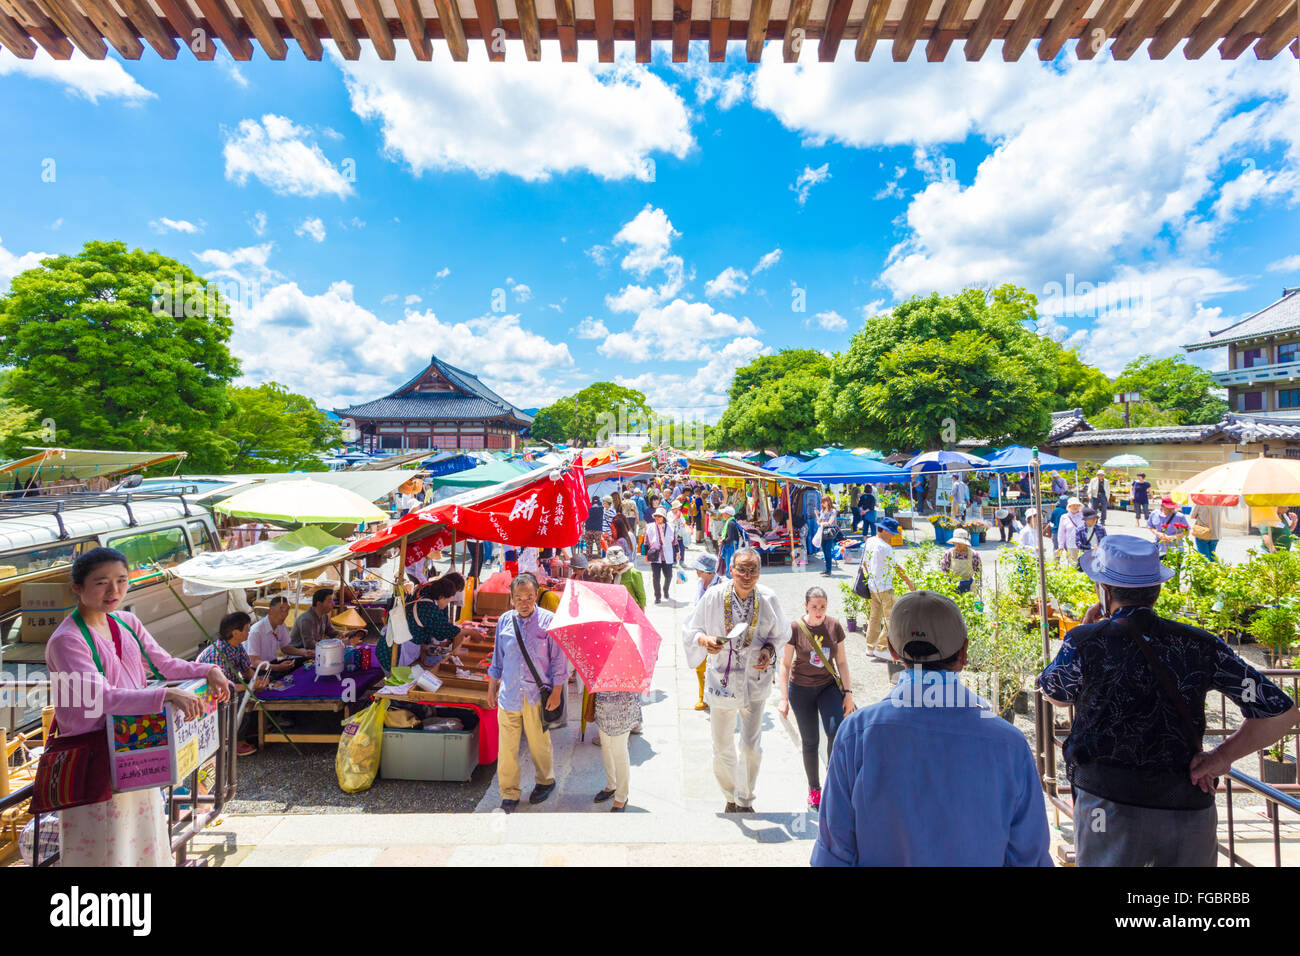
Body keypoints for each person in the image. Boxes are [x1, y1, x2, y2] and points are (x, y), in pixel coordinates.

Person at [1038, 534, 1298, 866]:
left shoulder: (1086, 640)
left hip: (1105, 805)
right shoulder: (1200, 644)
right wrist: (1221, 756)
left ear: (1104, 589)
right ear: (1157, 589)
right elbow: (1282, 712)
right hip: (1186, 804)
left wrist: (1086, 633)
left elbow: (1056, 694)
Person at [813, 590, 1052, 866]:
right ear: (963, 653)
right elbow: (1029, 857)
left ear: (891, 650)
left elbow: (834, 856)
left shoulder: (856, 734)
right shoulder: (1009, 744)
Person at [45, 547, 233, 866]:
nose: (114, 590)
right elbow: (102, 698)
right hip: (95, 759)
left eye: (121, 580)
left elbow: (164, 665)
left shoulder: (127, 622)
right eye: (101, 582)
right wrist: (167, 696)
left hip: (134, 750)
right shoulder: (67, 640)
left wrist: (207, 670)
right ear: (76, 587)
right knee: (104, 846)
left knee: (144, 839)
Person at [682, 547, 789, 812]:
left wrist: (768, 650)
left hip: (755, 679)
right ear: (730, 570)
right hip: (723, 681)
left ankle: (746, 797)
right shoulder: (714, 597)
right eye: (741, 568)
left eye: (753, 569)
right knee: (722, 746)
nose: (747, 575)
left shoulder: (768, 598)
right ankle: (730, 795)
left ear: (759, 572)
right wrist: (704, 640)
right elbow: (691, 629)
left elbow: (782, 633)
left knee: (751, 746)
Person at [487, 572, 568, 813]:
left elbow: (558, 663)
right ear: (511, 598)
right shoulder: (504, 621)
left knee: (539, 744)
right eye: (519, 598)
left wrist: (556, 693)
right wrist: (491, 688)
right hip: (509, 694)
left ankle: (545, 781)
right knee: (507, 749)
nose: (524, 602)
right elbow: (497, 659)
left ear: (536, 596)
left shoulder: (549, 621)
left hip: (535, 695)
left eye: (529, 597)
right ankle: (509, 792)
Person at [778, 587, 855, 811]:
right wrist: (783, 698)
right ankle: (814, 789)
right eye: (814, 606)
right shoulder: (795, 628)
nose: (819, 611)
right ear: (806, 606)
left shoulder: (834, 626)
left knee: (836, 730)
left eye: (822, 606)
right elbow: (784, 665)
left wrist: (848, 693)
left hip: (827, 686)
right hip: (800, 689)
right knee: (810, 740)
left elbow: (841, 662)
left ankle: (833, 782)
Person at [197, 611, 270, 756]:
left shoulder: (237, 646)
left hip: (230, 685)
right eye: (247, 628)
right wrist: (251, 687)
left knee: (260, 691)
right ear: (236, 632)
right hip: (210, 694)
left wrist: (258, 681)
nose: (249, 631)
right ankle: (234, 741)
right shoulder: (217, 653)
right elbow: (222, 688)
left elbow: (247, 670)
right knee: (242, 697)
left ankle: (250, 727)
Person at [861, 518, 916, 661]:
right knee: (893, 618)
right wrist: (910, 584)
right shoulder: (885, 547)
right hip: (885, 586)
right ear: (884, 530)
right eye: (891, 533)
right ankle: (881, 647)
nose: (892, 536)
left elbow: (865, 564)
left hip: (873, 585)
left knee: (875, 617)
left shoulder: (870, 541)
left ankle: (870, 646)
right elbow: (897, 568)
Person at [246, 596, 301, 670]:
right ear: (270, 611)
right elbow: (254, 662)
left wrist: (304, 653)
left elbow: (283, 648)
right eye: (281, 610)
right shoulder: (256, 631)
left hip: (275, 663)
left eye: (287, 610)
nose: (284, 614)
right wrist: (278, 667)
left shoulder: (281, 625)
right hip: (260, 669)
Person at [289, 587, 342, 654]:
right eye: (329, 601)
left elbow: (331, 631)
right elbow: (309, 644)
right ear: (319, 604)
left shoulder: (324, 615)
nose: (333, 604)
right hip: (297, 653)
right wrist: (328, 646)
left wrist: (343, 633)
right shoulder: (306, 619)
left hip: (310, 651)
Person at [644, 507, 677, 604]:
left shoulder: (670, 527)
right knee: (656, 577)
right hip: (655, 555)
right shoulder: (650, 527)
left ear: (664, 517)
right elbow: (646, 542)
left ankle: (665, 589)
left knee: (669, 576)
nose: (657, 518)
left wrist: (678, 552)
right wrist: (646, 554)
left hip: (667, 554)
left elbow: (674, 541)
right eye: (656, 516)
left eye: (659, 516)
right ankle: (657, 596)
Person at [940, 527, 981, 594]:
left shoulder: (974, 554)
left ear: (966, 543)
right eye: (956, 543)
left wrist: (978, 586)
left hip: (969, 586)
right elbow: (944, 571)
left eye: (960, 543)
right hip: (953, 586)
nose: (958, 545)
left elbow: (978, 572)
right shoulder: (949, 553)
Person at [605, 545, 646, 610]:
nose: (611, 566)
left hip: (631, 608)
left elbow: (641, 595)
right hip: (616, 607)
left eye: (613, 565)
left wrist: (641, 612)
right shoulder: (611, 573)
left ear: (619, 564)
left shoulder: (634, 573)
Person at [1057, 497, 1086, 567]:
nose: (1075, 507)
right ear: (1069, 507)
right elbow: (1061, 532)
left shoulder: (1084, 516)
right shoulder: (1064, 517)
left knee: (1084, 564)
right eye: (1073, 505)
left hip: (1083, 544)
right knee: (1073, 564)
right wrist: (1061, 545)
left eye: (1077, 505)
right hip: (1071, 544)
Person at [816, 494, 839, 577]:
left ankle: (829, 570)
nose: (823, 504)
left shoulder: (833, 511)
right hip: (823, 532)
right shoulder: (822, 511)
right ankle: (827, 569)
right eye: (822, 502)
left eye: (824, 502)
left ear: (828, 502)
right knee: (825, 551)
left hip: (830, 532)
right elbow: (819, 522)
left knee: (828, 550)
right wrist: (817, 516)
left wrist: (821, 523)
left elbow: (829, 522)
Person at [718, 505, 744, 574]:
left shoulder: (730, 523)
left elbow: (730, 538)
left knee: (730, 565)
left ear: (728, 515)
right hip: (732, 545)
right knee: (731, 564)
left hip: (731, 546)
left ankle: (730, 580)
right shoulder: (731, 522)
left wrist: (723, 541)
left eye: (724, 513)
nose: (723, 515)